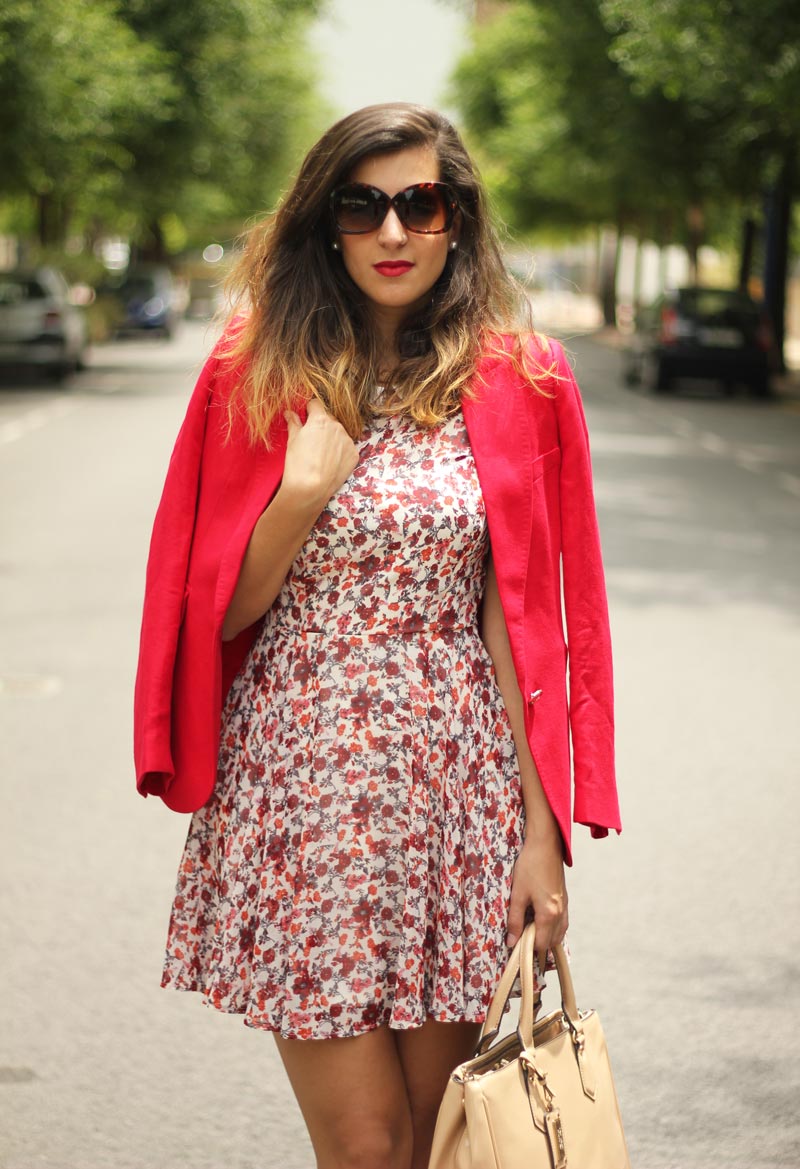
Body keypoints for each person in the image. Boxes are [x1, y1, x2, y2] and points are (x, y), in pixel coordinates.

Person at [134, 102, 621, 1169]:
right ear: (326, 222)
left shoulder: (521, 378)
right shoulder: (253, 369)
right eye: (363, 206)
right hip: (306, 791)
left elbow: (521, 614)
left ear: (455, 222)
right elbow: (207, 616)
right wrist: (297, 500)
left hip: (458, 793)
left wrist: (541, 833)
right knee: (364, 1145)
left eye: (418, 203)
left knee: (441, 1140)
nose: (392, 232)